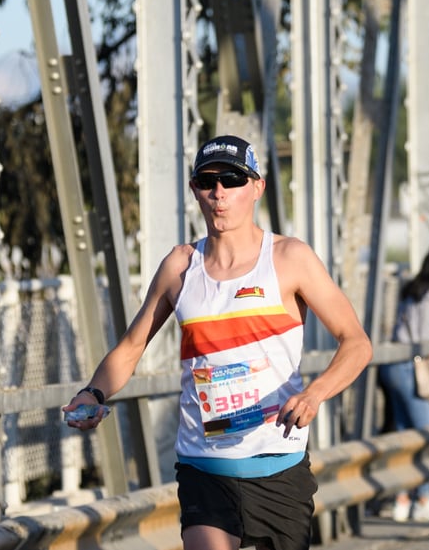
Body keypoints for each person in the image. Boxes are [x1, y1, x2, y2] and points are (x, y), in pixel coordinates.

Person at [63, 135, 373, 550]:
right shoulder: (180, 266)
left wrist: (315, 395)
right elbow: (132, 347)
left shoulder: (288, 258)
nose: (219, 193)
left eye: (232, 179)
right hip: (203, 465)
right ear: (195, 190)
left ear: (257, 187)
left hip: (276, 465)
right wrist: (92, 391)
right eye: (208, 181)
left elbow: (356, 343)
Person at [380, 243, 429, 522]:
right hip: (413, 367)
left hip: (394, 364)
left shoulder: (412, 288)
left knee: (405, 435)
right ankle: (424, 497)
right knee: (426, 434)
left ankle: (402, 498)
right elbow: (427, 337)